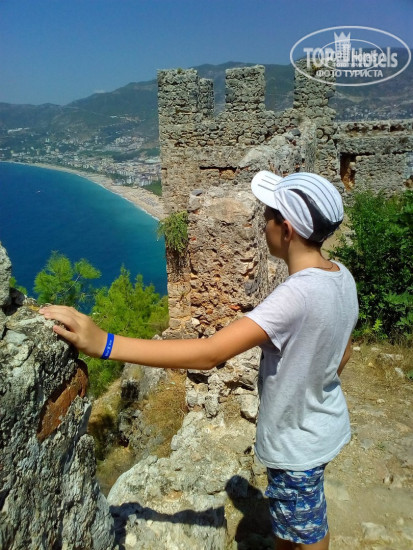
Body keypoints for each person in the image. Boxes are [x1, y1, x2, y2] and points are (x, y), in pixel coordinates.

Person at [40, 170, 358, 550]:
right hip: (324, 425)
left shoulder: (294, 297)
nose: (262, 225)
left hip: (297, 444)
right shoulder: (341, 277)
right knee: (296, 519)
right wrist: (311, 385)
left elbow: (210, 353)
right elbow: (344, 351)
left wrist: (104, 343)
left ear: (286, 230)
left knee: (308, 530)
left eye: (267, 217)